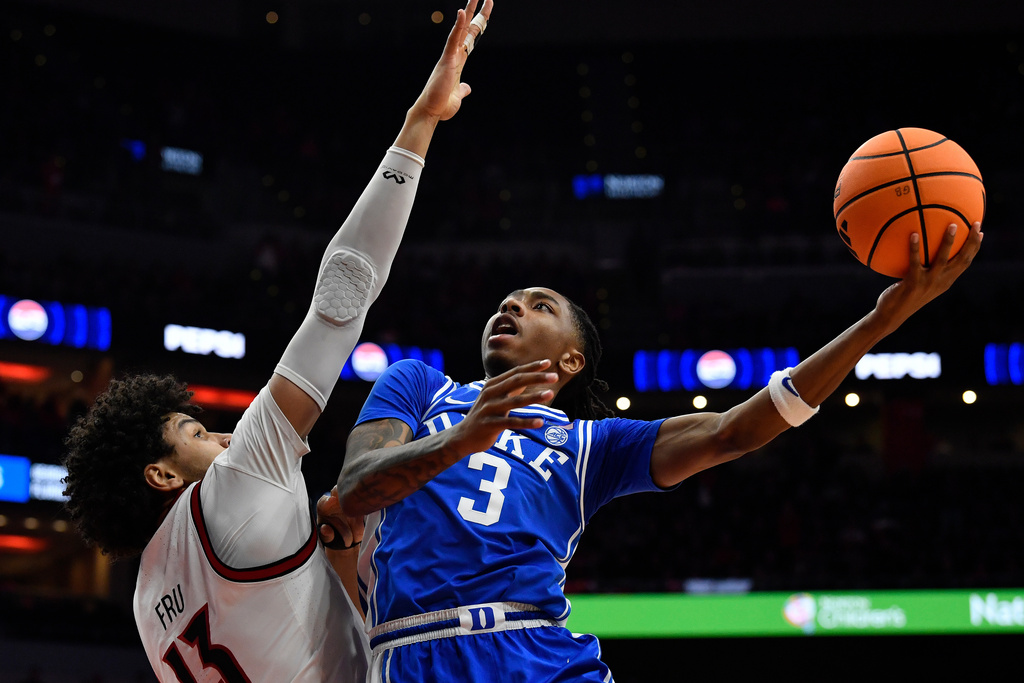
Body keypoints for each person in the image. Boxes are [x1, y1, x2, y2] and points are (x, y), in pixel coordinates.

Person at [336, 222, 983, 681]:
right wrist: (462, 436)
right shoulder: (420, 385)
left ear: (570, 358)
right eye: (509, 300)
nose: (511, 305)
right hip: (415, 650)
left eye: (540, 304)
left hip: (534, 650)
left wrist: (877, 324)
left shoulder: (594, 445)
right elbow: (357, 488)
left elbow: (736, 428)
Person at [59, 2, 494, 681]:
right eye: (195, 432)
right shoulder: (235, 487)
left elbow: (299, 632)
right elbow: (342, 296)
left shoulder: (149, 606)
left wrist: (332, 547)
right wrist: (420, 124)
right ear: (162, 474)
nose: (226, 438)